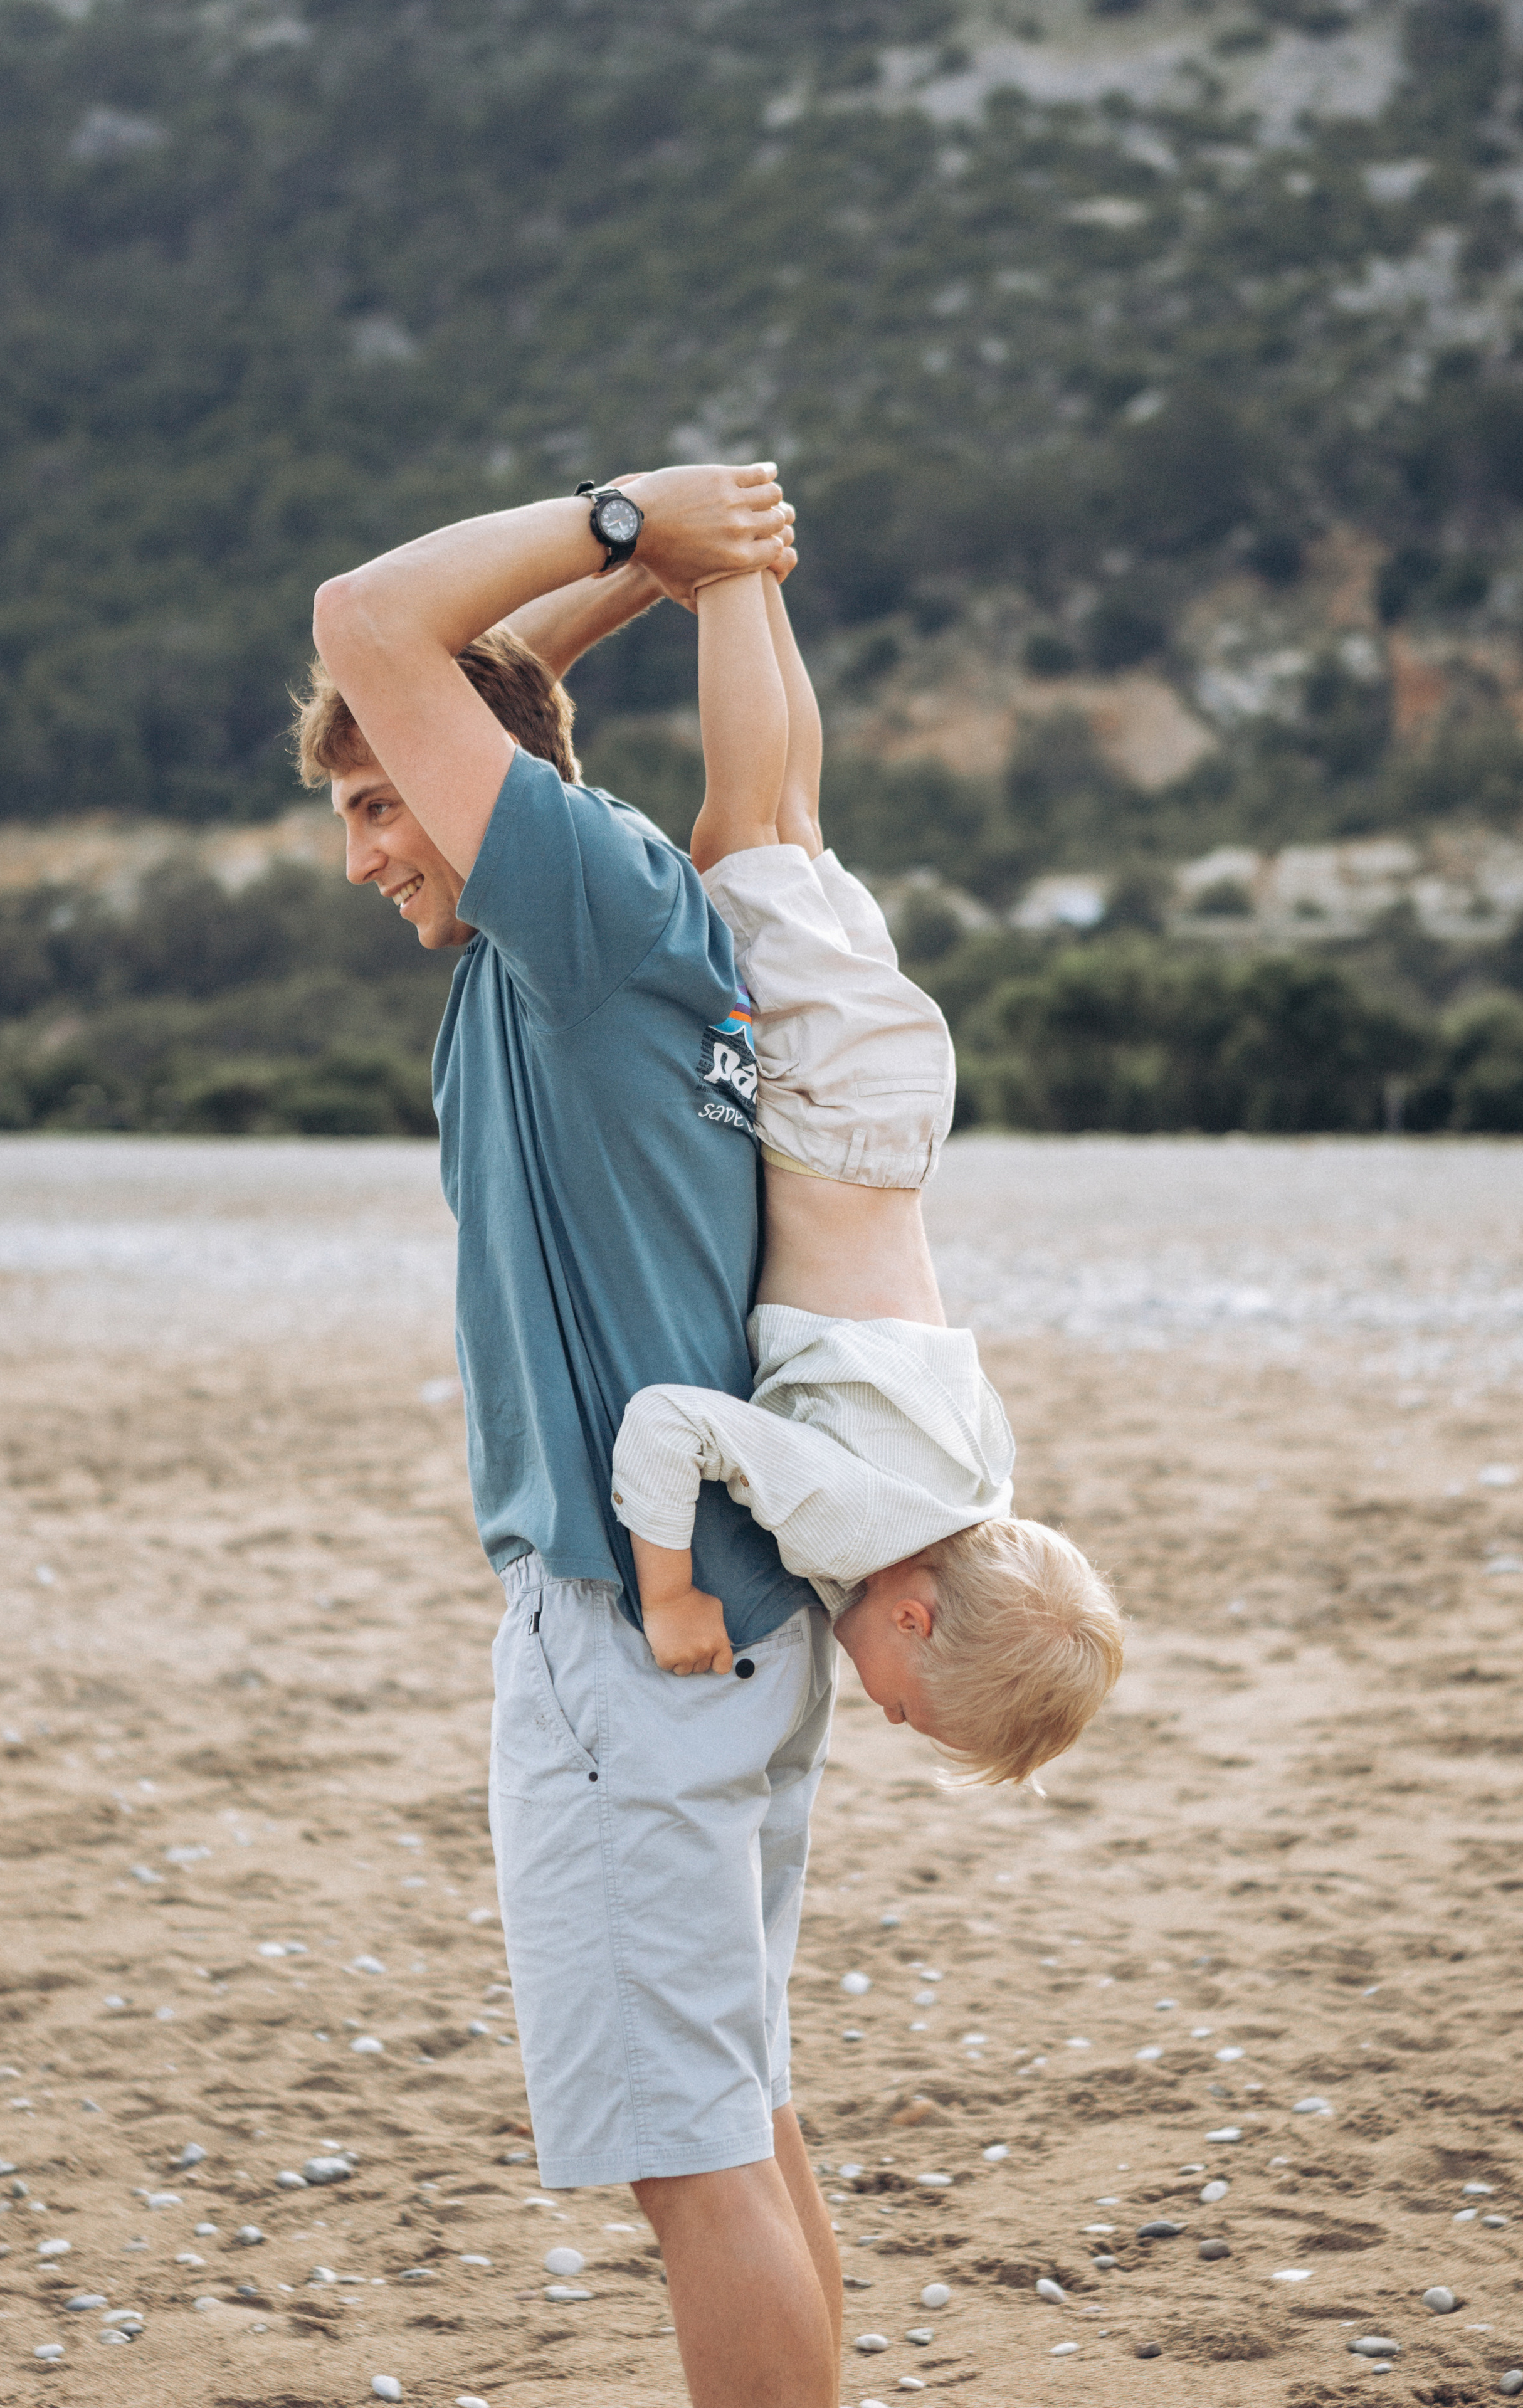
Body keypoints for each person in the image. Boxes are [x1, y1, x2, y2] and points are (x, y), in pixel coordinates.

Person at [300, 467, 846, 2408]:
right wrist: (667, 585)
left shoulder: (584, 907)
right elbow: (475, 666)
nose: (365, 852)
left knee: (690, 2160)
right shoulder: (624, 919)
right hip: (728, 1619)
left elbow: (369, 612)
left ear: (468, 787)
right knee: (738, 2113)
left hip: (635, 1628)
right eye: (349, 809)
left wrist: (631, 519)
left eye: (384, 801)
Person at [611, 569, 1124, 1781]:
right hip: (833, 1116)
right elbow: (668, 1424)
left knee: (791, 828)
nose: (885, 1716)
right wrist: (671, 1592)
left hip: (898, 1117)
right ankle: (734, 575)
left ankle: (765, 582)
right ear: (913, 1617)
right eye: (910, 1710)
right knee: (737, 833)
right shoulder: (861, 1522)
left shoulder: (974, 1484)